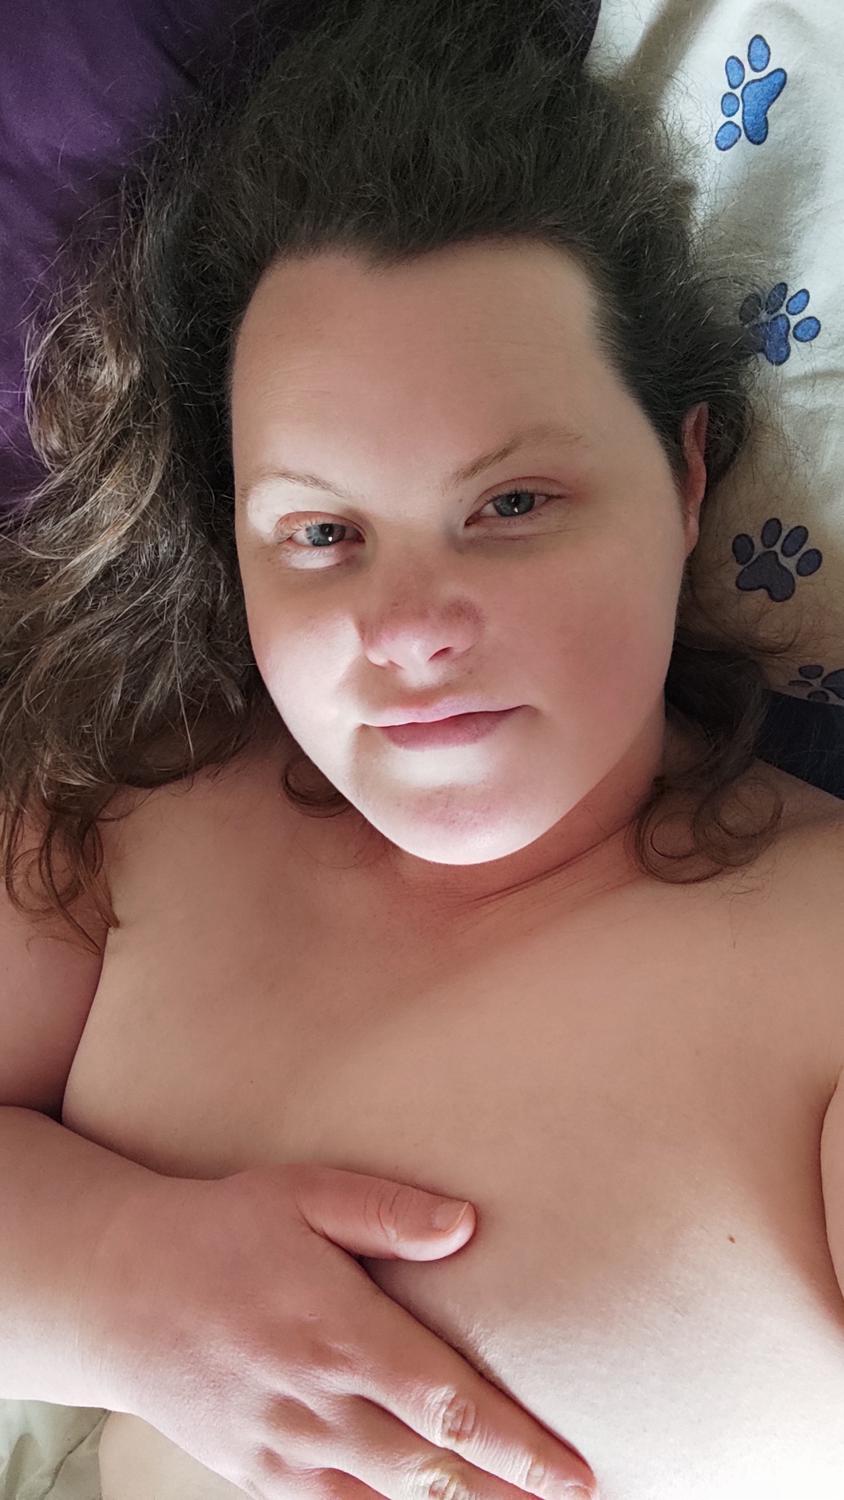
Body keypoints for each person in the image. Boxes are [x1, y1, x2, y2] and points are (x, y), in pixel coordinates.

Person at [3, 1, 844, 1495]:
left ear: (686, 474)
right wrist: (122, 1279)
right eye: (322, 532)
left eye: (511, 505)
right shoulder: (130, 808)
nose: (405, 629)